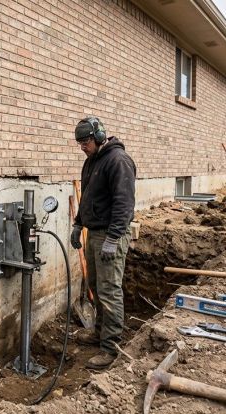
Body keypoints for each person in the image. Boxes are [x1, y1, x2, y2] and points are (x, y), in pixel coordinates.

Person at [70, 116, 136, 369]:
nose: (82, 147)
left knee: (109, 291)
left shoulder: (118, 161)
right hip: (94, 233)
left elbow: (124, 204)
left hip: (110, 235)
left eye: (85, 141)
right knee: (96, 286)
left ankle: (111, 347)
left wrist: (113, 238)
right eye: (79, 142)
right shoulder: (91, 162)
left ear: (99, 137)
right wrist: (78, 224)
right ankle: (99, 333)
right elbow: (86, 197)